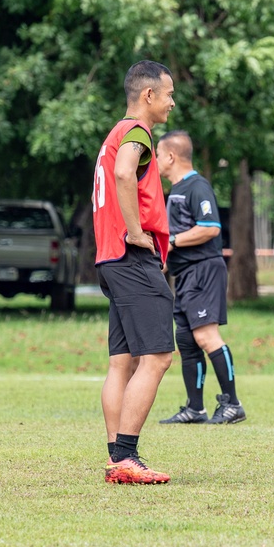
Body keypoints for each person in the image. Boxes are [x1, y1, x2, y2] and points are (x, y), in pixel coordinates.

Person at [92, 60, 176, 484]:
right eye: (168, 94)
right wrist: (137, 232)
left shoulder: (114, 133)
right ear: (149, 96)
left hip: (109, 259)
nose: (172, 102)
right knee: (159, 356)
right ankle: (126, 455)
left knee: (121, 362)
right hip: (130, 257)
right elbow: (126, 173)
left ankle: (116, 458)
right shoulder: (137, 133)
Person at [155, 130, 246, 425]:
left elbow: (210, 227)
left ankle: (233, 404)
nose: (154, 160)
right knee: (185, 337)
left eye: (157, 155)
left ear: (170, 156)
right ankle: (195, 409)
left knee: (206, 336)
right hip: (185, 274)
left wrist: (173, 243)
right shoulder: (177, 190)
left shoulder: (197, 187)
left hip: (204, 270)